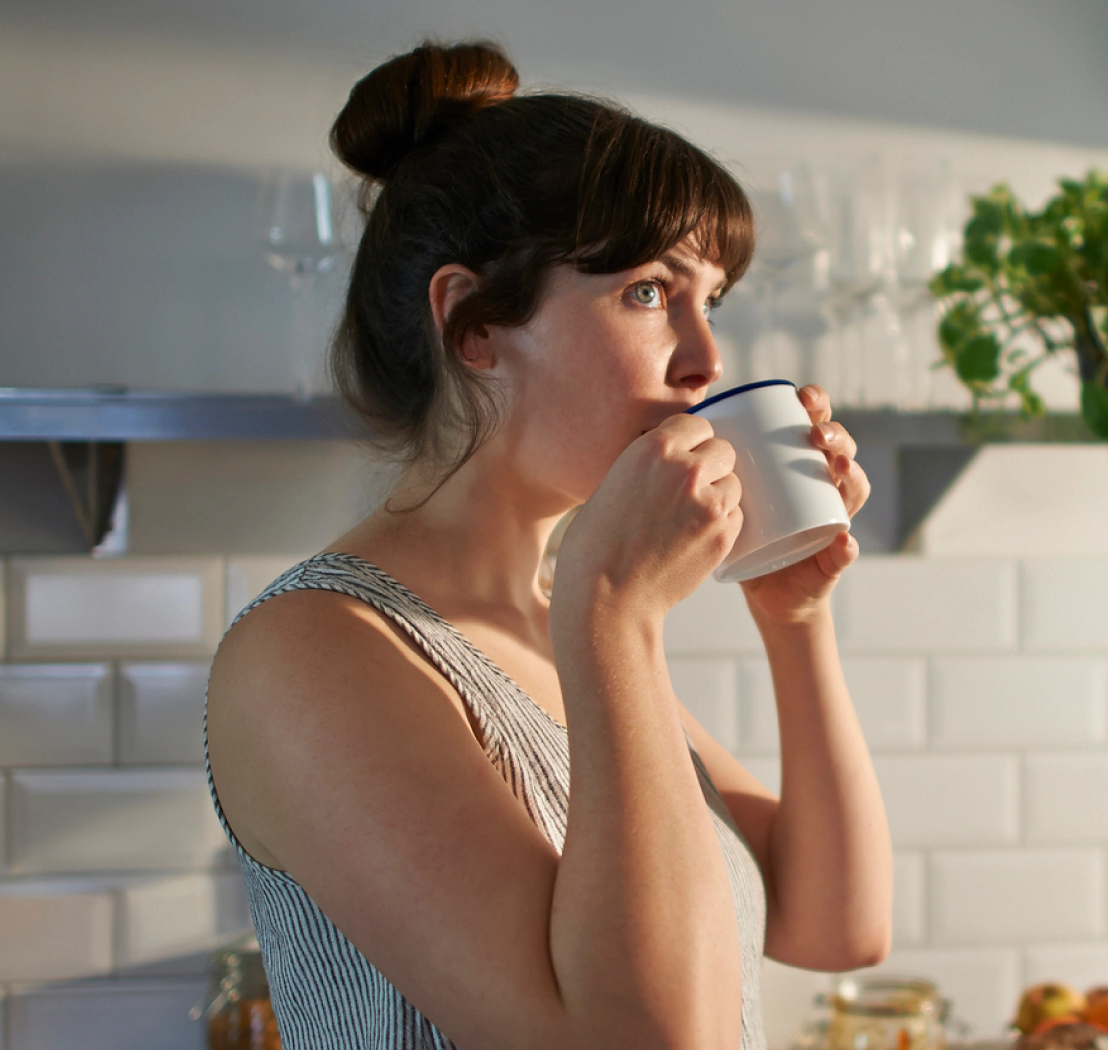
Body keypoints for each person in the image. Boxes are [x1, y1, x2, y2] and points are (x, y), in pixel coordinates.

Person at [203, 38, 893, 1050]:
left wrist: (795, 616)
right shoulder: (313, 653)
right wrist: (615, 614)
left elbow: (836, 925)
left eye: (714, 301)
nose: (707, 360)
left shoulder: (557, 621)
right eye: (650, 293)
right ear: (475, 325)